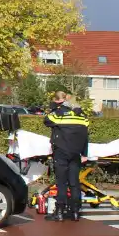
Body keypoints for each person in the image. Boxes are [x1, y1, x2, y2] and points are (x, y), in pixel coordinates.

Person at [43, 91, 91, 221]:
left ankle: (59, 212)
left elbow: (46, 120)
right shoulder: (82, 117)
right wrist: (84, 153)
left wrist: (54, 108)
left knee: (61, 183)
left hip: (62, 152)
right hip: (76, 153)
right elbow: (86, 136)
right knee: (74, 182)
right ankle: (75, 211)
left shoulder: (59, 115)